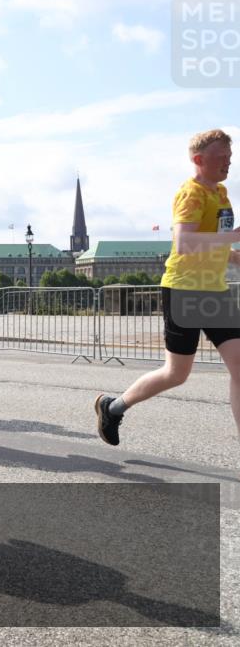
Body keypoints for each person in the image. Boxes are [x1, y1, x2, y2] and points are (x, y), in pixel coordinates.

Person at [95, 129, 240, 447]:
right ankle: (114, 407)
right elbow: (185, 243)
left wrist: (234, 256)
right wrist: (232, 237)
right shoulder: (191, 193)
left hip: (215, 291)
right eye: (221, 157)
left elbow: (214, 243)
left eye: (230, 156)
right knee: (176, 373)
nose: (228, 162)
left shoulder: (222, 194)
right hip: (184, 291)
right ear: (199, 160)